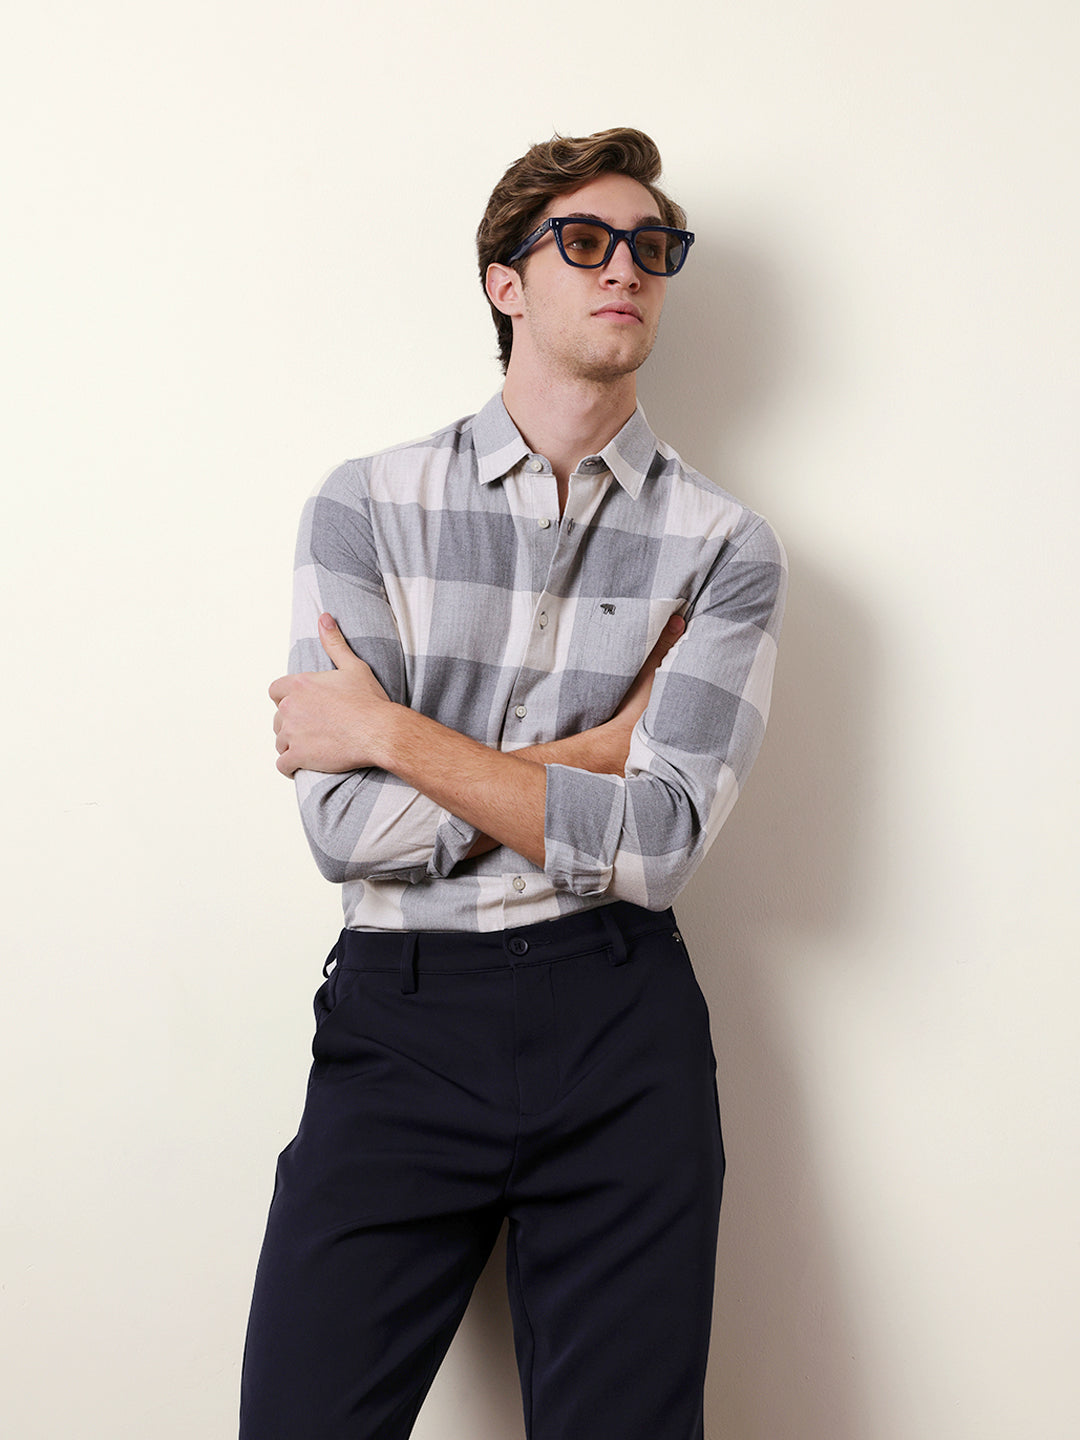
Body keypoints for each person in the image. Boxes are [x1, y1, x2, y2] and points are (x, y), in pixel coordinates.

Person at [240, 127, 787, 1440]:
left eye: (652, 247)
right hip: (402, 1017)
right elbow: (344, 828)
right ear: (505, 283)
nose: (626, 269)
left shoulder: (724, 546)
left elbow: (658, 844)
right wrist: (595, 754)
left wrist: (392, 734)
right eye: (584, 242)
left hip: (620, 1022)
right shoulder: (366, 505)